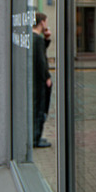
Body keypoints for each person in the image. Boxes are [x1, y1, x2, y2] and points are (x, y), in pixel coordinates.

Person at [33, 12, 52, 148]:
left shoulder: (33, 38)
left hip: (33, 79)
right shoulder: (37, 40)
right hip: (39, 81)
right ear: (42, 23)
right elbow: (40, 61)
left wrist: (46, 39)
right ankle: (36, 138)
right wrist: (47, 77)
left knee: (35, 107)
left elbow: (39, 53)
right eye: (46, 21)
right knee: (40, 108)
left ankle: (35, 136)